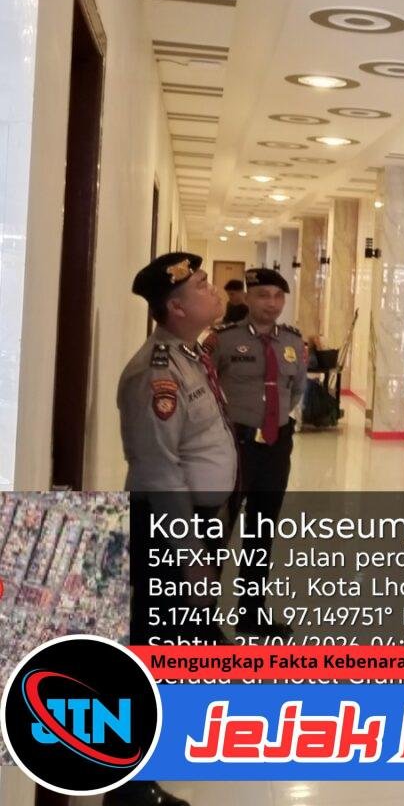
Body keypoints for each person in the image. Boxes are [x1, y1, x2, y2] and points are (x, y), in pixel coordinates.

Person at [112, 252, 237, 806]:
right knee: (155, 650)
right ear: (178, 308)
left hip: (195, 520)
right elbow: (158, 470)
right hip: (169, 528)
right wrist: (189, 552)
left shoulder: (190, 355)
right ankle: (131, 786)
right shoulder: (157, 372)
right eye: (203, 286)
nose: (214, 291)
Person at [204, 267, 306, 637]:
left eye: (278, 297)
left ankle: (250, 614)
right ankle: (204, 619)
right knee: (218, 533)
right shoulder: (222, 340)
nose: (272, 304)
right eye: (263, 295)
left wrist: (272, 422)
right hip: (235, 446)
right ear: (247, 297)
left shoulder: (293, 341)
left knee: (262, 533)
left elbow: (296, 390)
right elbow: (206, 387)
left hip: (275, 447)